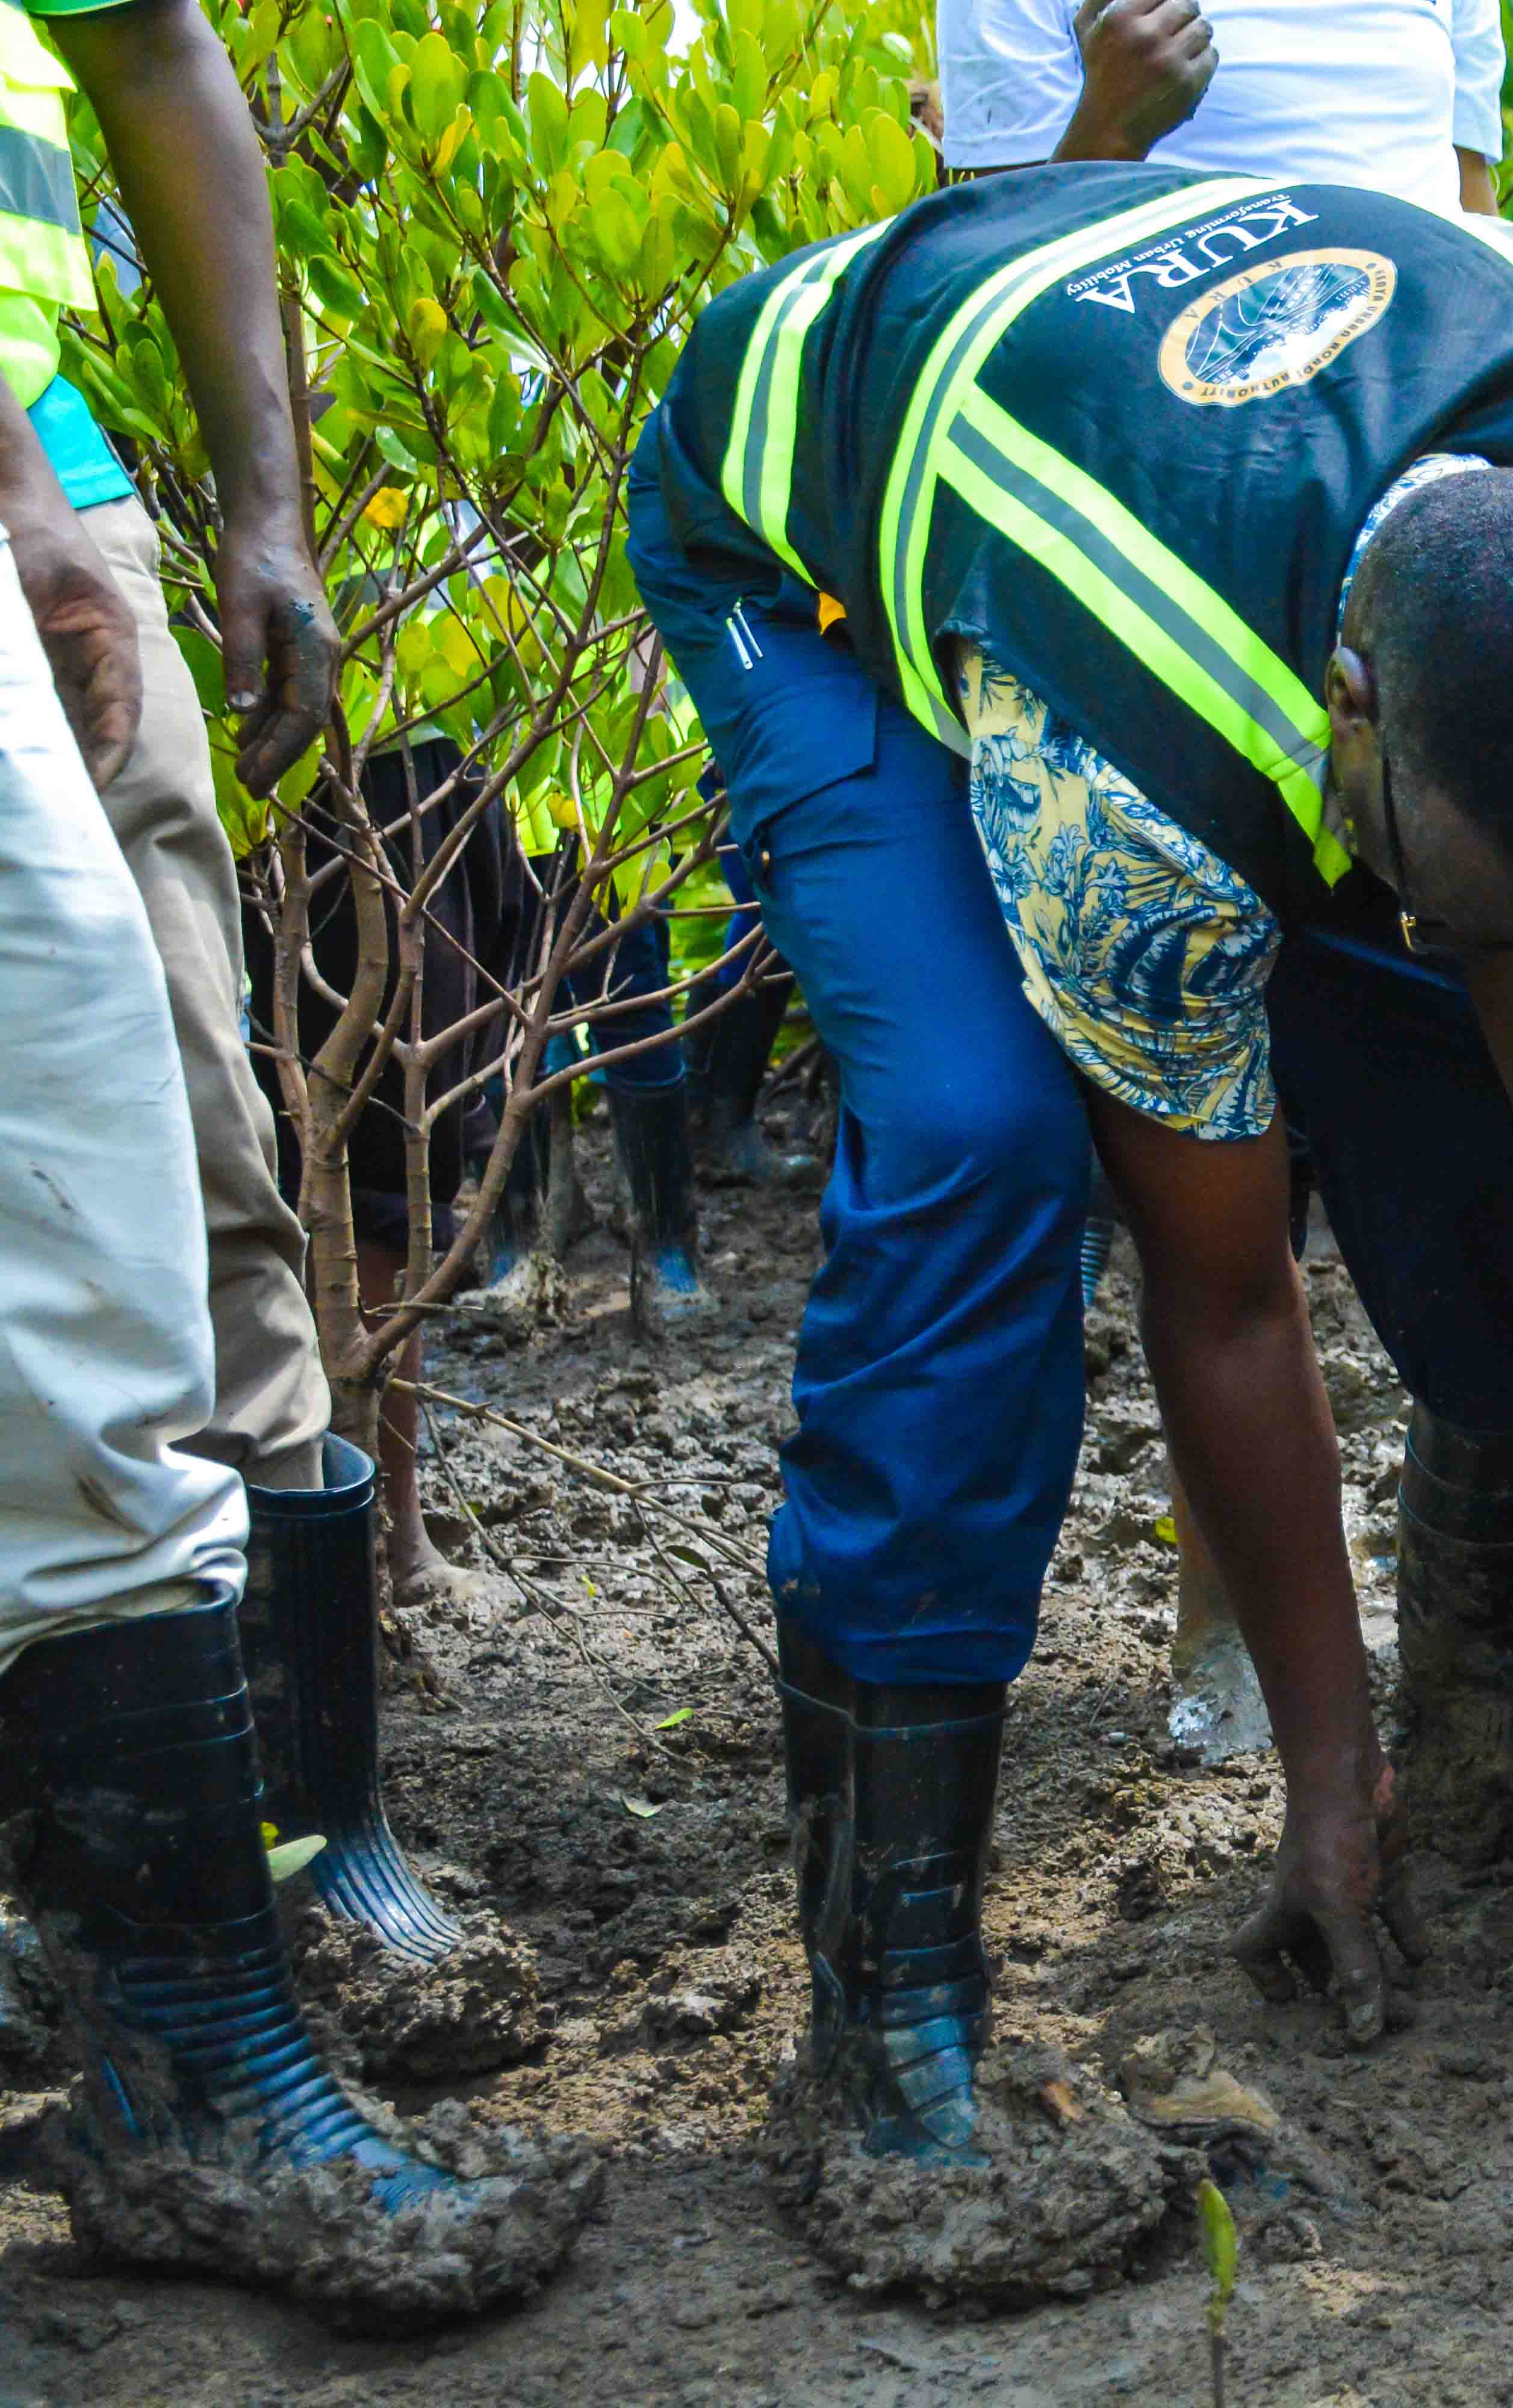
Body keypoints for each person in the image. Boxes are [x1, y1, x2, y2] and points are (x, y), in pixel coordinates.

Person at [629, 164, 1513, 2285]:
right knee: (979, 1146)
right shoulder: (1127, 778)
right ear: (1344, 716)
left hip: (1173, 421)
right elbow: (1229, 1296)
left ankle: (1506, 1692)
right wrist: (1320, 1782)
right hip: (820, 519)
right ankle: (892, 2001)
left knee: (1450, 1035)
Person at [0, 308, 597, 2330]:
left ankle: (279, 1875)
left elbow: (155, 51)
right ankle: (175, 2031)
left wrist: (179, 502)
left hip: (39, 482)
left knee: (158, 1178)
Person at [0, 0, 493, 1969]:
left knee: (206, 1147)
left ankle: (299, 1827)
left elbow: (154, 54)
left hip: (50, 489)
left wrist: (260, 513)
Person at [936, 0, 1509, 210]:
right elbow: (1008, 272)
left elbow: (1472, 208)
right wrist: (1111, 130)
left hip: (1427, 393)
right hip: (1177, 405)